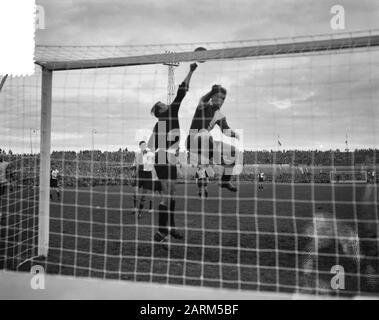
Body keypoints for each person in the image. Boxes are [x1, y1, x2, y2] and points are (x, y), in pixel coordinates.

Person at [148, 62, 198, 245]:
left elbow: (151, 145)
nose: (165, 103)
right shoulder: (169, 113)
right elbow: (181, 92)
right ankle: (163, 230)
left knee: (171, 195)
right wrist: (190, 71)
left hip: (167, 157)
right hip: (164, 158)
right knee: (168, 194)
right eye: (162, 103)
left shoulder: (159, 123)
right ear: (160, 110)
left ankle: (169, 228)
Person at [186, 84, 241, 192]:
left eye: (223, 98)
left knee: (234, 151)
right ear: (212, 96)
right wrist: (211, 92)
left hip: (207, 143)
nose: (220, 100)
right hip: (193, 140)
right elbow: (202, 99)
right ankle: (204, 173)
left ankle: (224, 181)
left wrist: (234, 134)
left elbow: (225, 130)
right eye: (218, 96)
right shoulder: (205, 105)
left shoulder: (219, 115)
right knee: (204, 134)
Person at [132, 141, 155, 218]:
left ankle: (139, 212)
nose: (144, 146)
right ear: (139, 146)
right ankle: (135, 207)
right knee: (135, 192)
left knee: (143, 196)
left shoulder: (150, 153)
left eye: (145, 145)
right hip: (140, 174)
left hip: (147, 175)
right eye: (142, 145)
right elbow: (134, 163)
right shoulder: (137, 154)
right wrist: (133, 169)